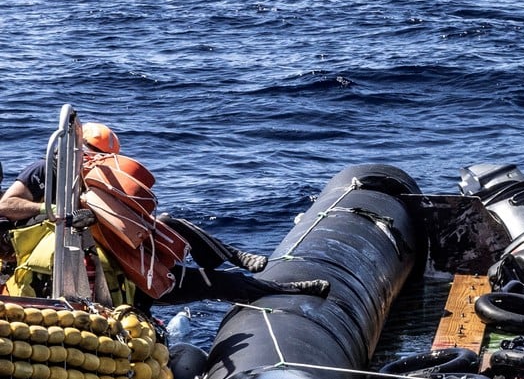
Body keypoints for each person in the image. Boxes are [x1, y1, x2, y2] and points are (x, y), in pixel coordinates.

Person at [0, 122, 328, 306]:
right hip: (56, 268)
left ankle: (268, 279)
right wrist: (55, 211)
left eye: (102, 157)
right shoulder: (45, 171)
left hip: (122, 269)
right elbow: (6, 205)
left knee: (189, 250)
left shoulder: (111, 185)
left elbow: (133, 229)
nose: (95, 161)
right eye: (91, 155)